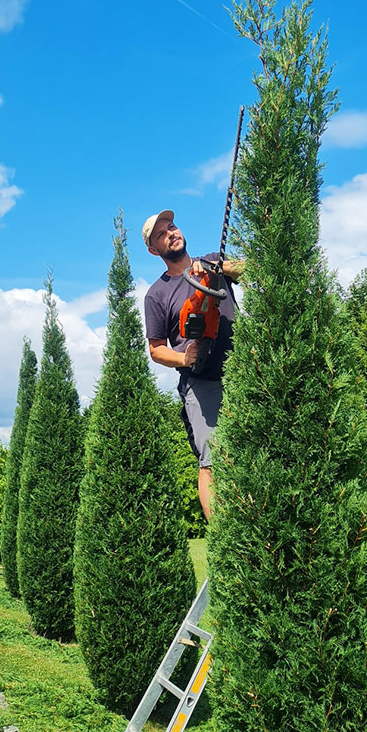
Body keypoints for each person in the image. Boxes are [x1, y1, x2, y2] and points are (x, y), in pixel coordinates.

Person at [142, 209, 241, 519]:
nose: (170, 234)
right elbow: (156, 350)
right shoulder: (156, 295)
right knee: (211, 461)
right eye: (161, 234)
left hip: (243, 371)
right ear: (154, 250)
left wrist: (218, 268)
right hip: (202, 383)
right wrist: (184, 357)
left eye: (171, 227)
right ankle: (222, 536)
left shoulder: (211, 259)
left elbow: (249, 270)